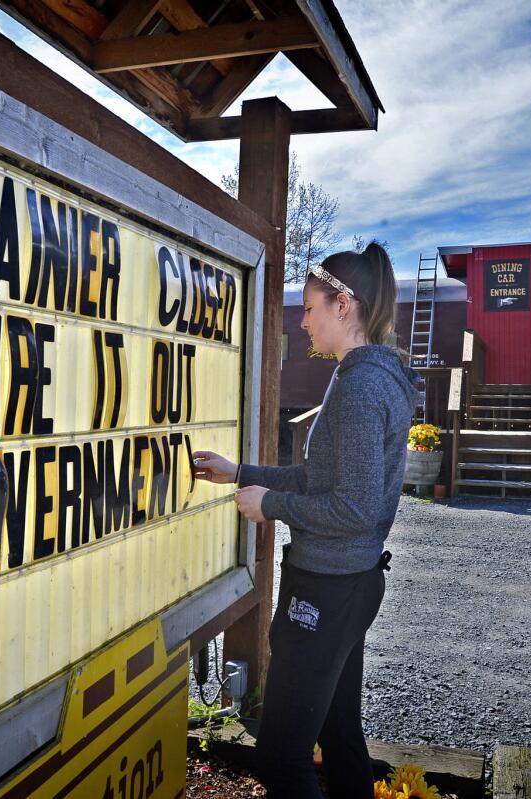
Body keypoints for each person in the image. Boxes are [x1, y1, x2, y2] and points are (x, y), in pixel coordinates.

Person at [193, 243, 417, 799]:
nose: (303, 318)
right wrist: (241, 471)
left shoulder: (361, 387)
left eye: (311, 306)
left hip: (326, 589)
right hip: (351, 582)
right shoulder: (367, 376)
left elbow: (354, 508)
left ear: (343, 306)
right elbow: (325, 481)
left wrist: (269, 504)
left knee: (281, 757)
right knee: (341, 738)